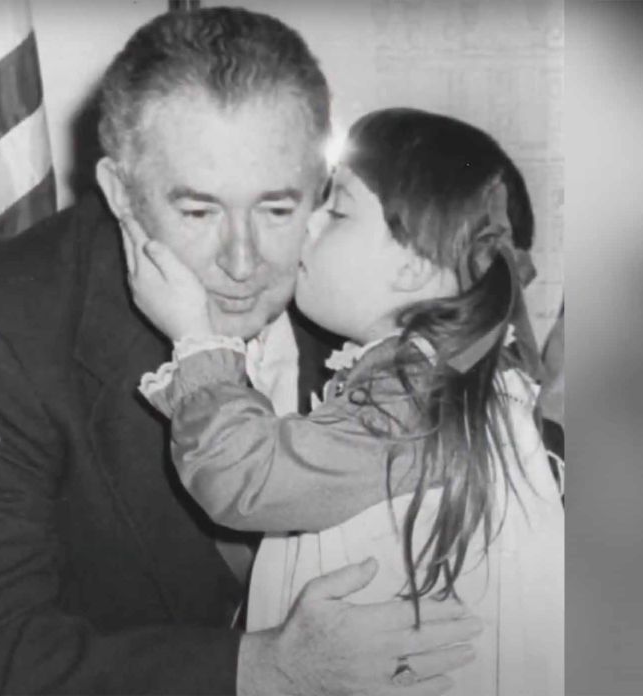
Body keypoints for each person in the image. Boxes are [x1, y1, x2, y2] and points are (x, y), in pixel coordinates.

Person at [0, 9, 482, 695]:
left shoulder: (364, 282)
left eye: (277, 209)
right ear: (120, 194)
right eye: (198, 212)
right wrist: (263, 669)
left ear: (322, 183)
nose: (243, 262)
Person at [123, 108, 564, 694]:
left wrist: (193, 336)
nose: (307, 224)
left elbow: (245, 477)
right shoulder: (452, 380)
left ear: (413, 267)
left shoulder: (417, 401)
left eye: (338, 211)